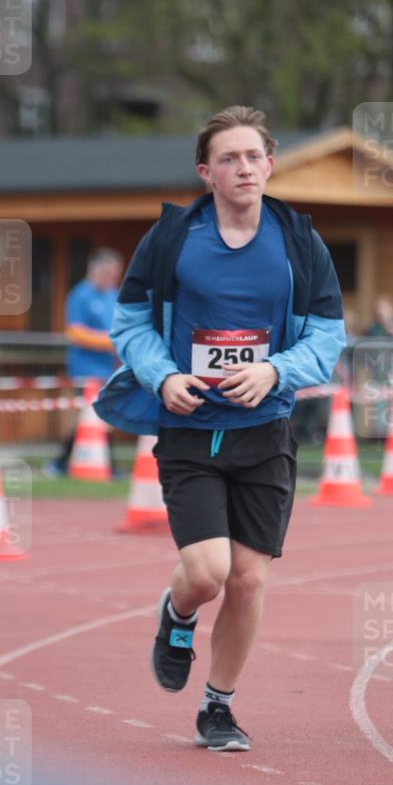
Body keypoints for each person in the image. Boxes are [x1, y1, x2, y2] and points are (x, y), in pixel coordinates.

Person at [96, 105, 345, 751]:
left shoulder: (299, 242)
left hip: (265, 431)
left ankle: (218, 707)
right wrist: (162, 377)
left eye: (253, 156)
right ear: (206, 172)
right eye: (228, 158)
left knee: (249, 578)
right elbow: (130, 323)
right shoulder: (172, 238)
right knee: (207, 573)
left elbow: (327, 335)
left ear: (270, 164)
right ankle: (177, 612)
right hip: (190, 430)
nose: (244, 168)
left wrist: (276, 371)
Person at [43, 248, 123, 476]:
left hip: (108, 369)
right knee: (97, 415)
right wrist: (109, 341)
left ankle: (61, 462)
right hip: (85, 369)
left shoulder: (113, 294)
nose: (112, 279)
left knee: (96, 417)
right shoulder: (80, 295)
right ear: (95, 269)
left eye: (115, 275)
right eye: (108, 274)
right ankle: (108, 466)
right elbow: (75, 332)